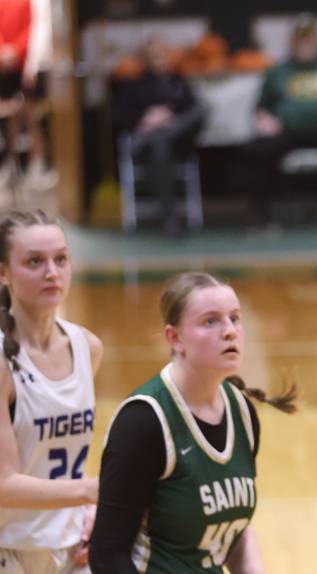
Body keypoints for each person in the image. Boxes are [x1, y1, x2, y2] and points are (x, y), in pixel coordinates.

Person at [89, 271, 298, 573]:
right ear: (175, 338)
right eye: (210, 321)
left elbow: (234, 534)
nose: (229, 331)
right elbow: (107, 554)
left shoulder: (242, 411)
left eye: (235, 318)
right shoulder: (143, 422)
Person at [0, 209, 103, 573]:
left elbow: (67, 452)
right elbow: (5, 484)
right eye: (34, 261)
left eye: (61, 259)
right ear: (3, 272)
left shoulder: (87, 347)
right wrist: (93, 492)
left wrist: (90, 511)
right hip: (10, 550)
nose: (52, 272)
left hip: (72, 548)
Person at [246, 12, 317, 226]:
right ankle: (261, 215)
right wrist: (265, 121)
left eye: (309, 38)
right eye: (300, 38)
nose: (305, 43)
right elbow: (261, 108)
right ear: (292, 41)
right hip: (286, 132)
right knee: (257, 149)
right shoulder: (277, 72)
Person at [111, 39, 205, 236]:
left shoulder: (178, 81)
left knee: (199, 111)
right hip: (147, 145)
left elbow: (192, 109)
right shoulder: (135, 85)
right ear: (147, 59)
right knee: (158, 143)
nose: (160, 60)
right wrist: (147, 118)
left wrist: (169, 115)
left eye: (164, 54)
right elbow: (120, 116)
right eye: (155, 55)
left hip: (177, 142)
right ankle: (169, 218)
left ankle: (167, 130)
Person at [18, 0, 58, 194]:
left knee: (45, 116)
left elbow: (43, 29)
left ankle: (47, 164)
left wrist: (32, 63)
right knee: (35, 116)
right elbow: (38, 29)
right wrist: (31, 63)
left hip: (49, 63)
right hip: (37, 63)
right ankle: (40, 162)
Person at [0, 0, 31, 196]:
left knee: (18, 115)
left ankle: (12, 164)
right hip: (2, 62)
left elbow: (30, 29)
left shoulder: (26, 3)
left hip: (19, 66)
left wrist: (16, 51)